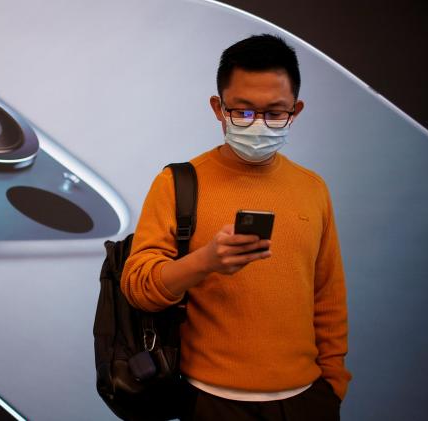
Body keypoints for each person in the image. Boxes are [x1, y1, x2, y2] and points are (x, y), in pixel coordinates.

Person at [120, 34, 352, 421]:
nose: (258, 125)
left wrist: (332, 386)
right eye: (242, 112)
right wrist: (205, 261)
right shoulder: (178, 182)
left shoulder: (313, 188)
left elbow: (328, 296)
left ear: (296, 109)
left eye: (275, 113)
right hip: (209, 401)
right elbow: (138, 288)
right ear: (217, 107)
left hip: (306, 401)